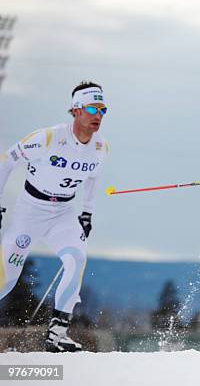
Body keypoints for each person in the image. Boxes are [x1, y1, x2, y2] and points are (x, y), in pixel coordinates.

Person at [0, 81, 109, 352]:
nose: (98, 116)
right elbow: (6, 160)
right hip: (29, 211)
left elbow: (93, 179)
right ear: (75, 111)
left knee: (76, 259)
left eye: (103, 109)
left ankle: (57, 334)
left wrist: (87, 214)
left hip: (63, 213)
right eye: (93, 108)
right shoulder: (48, 138)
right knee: (7, 278)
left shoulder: (100, 147)